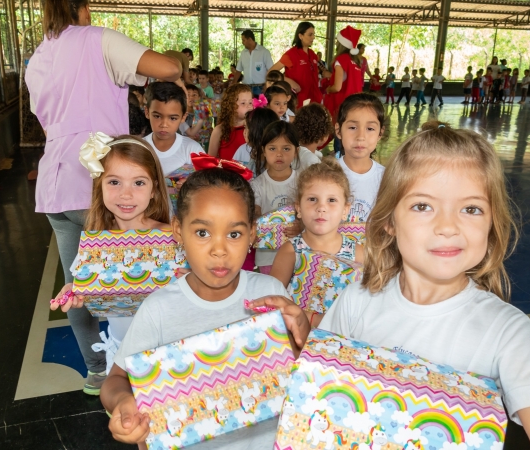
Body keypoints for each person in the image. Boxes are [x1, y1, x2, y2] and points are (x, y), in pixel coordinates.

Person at [269, 120, 530, 450]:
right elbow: (321, 385)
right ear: (389, 222)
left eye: (471, 208)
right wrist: (297, 339)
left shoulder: (507, 334)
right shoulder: (356, 300)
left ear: (492, 223)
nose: (448, 226)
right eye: (423, 206)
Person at [25, 0, 182, 395]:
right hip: (102, 184)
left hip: (55, 186)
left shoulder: (38, 57)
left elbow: (47, 122)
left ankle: (97, 371)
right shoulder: (97, 39)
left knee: (80, 283)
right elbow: (169, 69)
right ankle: (141, 368)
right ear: (84, 6)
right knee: (139, 275)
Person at [101, 167, 308, 448]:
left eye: (234, 234)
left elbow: (303, 369)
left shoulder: (270, 293)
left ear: (252, 235)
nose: (219, 250)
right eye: (202, 232)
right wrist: (124, 402)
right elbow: (116, 379)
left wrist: (303, 333)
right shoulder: (159, 310)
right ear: (178, 231)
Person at [50, 134, 171, 373]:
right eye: (114, 182)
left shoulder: (173, 237)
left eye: (139, 182)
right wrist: (77, 289)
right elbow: (88, 285)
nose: (126, 194)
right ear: (100, 186)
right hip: (120, 355)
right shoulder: (96, 245)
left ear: (155, 189)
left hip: (168, 353)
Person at [270, 159, 365, 325]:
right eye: (313, 199)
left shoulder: (358, 253)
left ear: (345, 210)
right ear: (298, 208)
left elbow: (366, 304)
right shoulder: (291, 252)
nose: (321, 207)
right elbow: (273, 301)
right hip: (298, 340)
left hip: (342, 342)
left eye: (331, 200)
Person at [251, 121, 301, 274]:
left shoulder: (304, 182)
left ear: (296, 152)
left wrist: (302, 226)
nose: (279, 154)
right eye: (272, 148)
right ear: (264, 151)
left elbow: (311, 214)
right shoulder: (257, 185)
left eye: (286, 148)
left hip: (298, 255)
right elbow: (255, 215)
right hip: (268, 257)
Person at [334, 93, 385, 223]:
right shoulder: (327, 173)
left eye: (370, 128)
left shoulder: (386, 178)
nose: (360, 136)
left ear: (380, 133)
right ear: (338, 130)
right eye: (352, 127)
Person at [142, 82, 204, 175]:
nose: (164, 124)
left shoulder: (192, 149)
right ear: (147, 112)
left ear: (183, 117)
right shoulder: (139, 148)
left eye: (173, 118)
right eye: (157, 116)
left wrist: (190, 185)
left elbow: (206, 183)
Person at [269, 22, 329, 108]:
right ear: (300, 36)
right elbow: (271, 73)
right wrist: (288, 81)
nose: (313, 37)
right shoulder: (291, 54)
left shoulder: (312, 55)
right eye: (310, 34)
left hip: (314, 101)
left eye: (314, 34)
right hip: (298, 102)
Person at [324, 26, 363, 125]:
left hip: (342, 105)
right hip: (356, 105)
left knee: (340, 136)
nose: (336, 43)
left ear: (342, 44)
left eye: (338, 41)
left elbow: (337, 87)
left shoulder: (340, 60)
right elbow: (347, 79)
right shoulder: (355, 61)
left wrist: (328, 89)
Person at [208, 84, 253, 159]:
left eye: (250, 102)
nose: (249, 106)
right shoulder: (219, 130)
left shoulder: (254, 128)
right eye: (243, 103)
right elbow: (211, 160)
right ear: (231, 106)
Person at [233, 107, 280, 172]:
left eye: (246, 127)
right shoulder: (242, 150)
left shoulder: (275, 158)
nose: (244, 131)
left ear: (256, 131)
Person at [236, 29, 274, 96]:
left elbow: (271, 70)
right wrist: (233, 83)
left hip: (260, 88)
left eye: (243, 40)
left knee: (260, 106)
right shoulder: (243, 53)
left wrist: (267, 85)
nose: (242, 42)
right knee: (247, 106)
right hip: (246, 87)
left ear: (250, 39)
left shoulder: (264, 52)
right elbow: (238, 70)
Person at [184, 84, 213, 149]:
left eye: (194, 95)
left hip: (202, 145)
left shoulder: (204, 112)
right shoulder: (180, 114)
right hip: (185, 145)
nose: (191, 97)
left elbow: (208, 127)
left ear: (199, 97)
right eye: (188, 95)